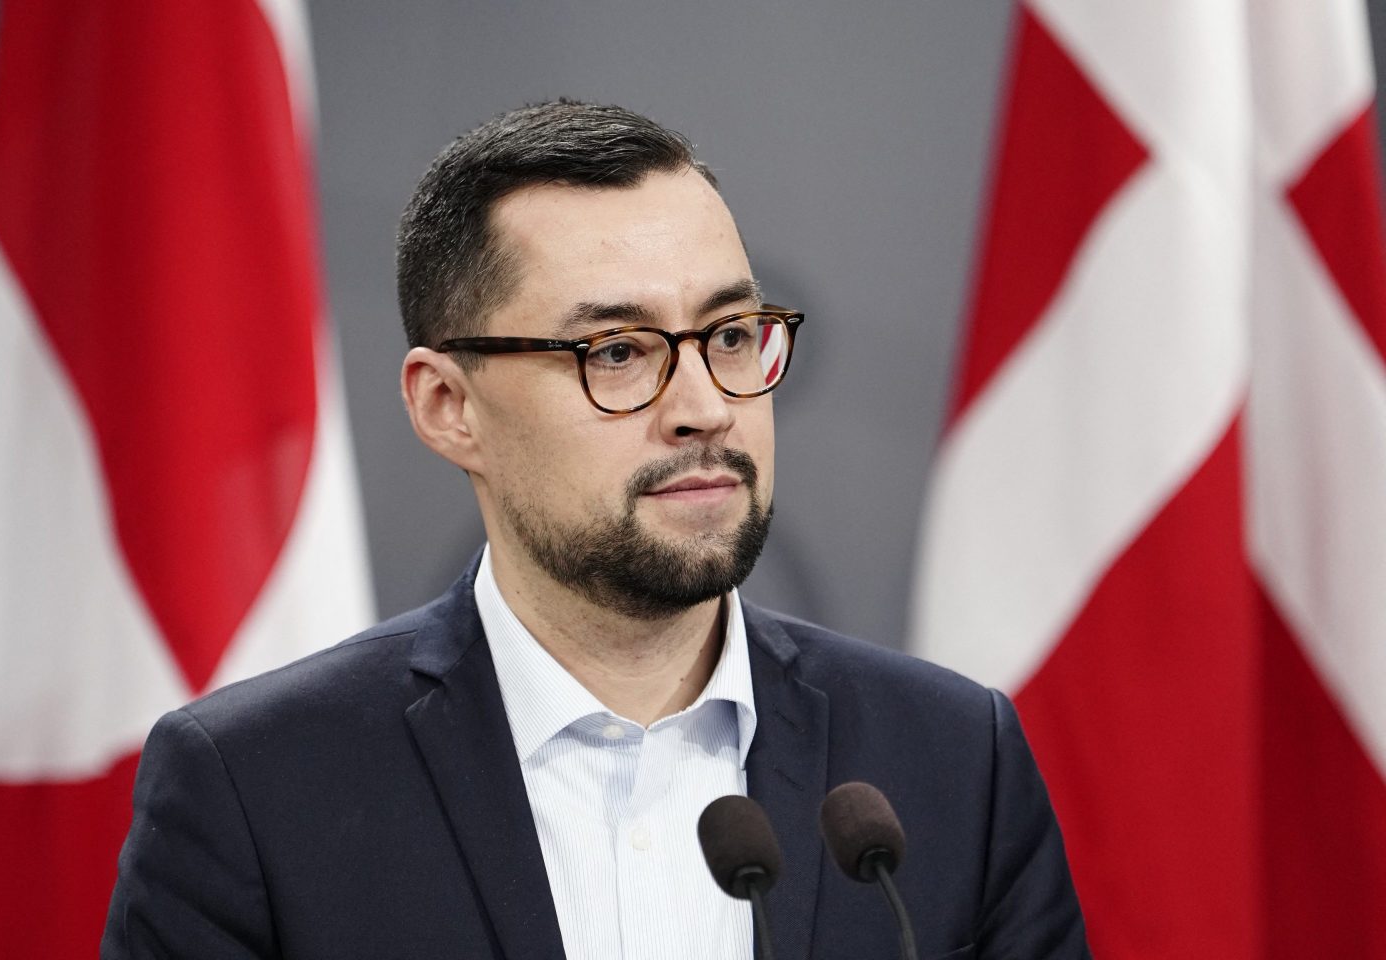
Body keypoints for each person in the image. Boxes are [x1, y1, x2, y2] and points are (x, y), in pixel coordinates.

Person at [102, 99, 1089, 960]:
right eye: (618, 352)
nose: (704, 406)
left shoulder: (956, 760)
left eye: (733, 336)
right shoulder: (256, 789)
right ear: (450, 405)